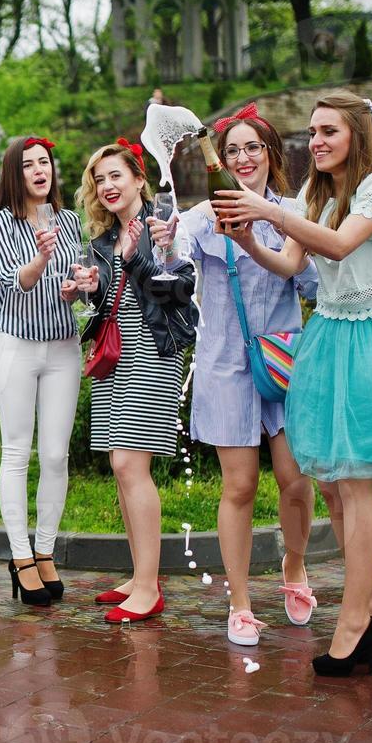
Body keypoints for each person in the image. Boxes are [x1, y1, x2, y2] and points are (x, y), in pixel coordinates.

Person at [214, 91, 372, 676]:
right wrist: (249, 240)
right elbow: (294, 265)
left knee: (358, 488)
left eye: (328, 131)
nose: (317, 142)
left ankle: (357, 619)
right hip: (332, 338)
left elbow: (336, 244)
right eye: (311, 133)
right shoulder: (314, 192)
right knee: (341, 484)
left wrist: (267, 211)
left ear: (358, 134)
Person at [150, 104, 322, 646]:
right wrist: (165, 239)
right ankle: (242, 603)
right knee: (240, 486)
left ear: (271, 155)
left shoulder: (293, 212)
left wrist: (270, 237)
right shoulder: (205, 215)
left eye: (253, 148)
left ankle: (294, 568)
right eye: (233, 151)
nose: (242, 158)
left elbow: (312, 285)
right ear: (220, 162)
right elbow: (173, 259)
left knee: (296, 479)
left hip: (284, 359)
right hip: (225, 364)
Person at [76, 140, 197, 623]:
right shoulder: (102, 240)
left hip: (153, 348)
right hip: (115, 354)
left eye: (116, 176)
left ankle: (149, 586)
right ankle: (138, 573)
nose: (107, 186)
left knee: (131, 463)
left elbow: (180, 291)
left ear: (139, 179)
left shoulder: (164, 226)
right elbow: (110, 300)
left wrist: (138, 257)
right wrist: (87, 289)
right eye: (99, 179)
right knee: (119, 463)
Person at [0, 137, 85, 608]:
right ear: (15, 173)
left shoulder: (69, 221)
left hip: (64, 348)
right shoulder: (0, 224)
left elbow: (80, 282)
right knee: (17, 454)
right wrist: (42, 259)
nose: (39, 170)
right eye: (28, 165)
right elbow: (15, 283)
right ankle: (20, 556)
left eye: (44, 162)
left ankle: (45, 550)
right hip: (17, 348)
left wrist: (80, 285)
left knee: (55, 456)